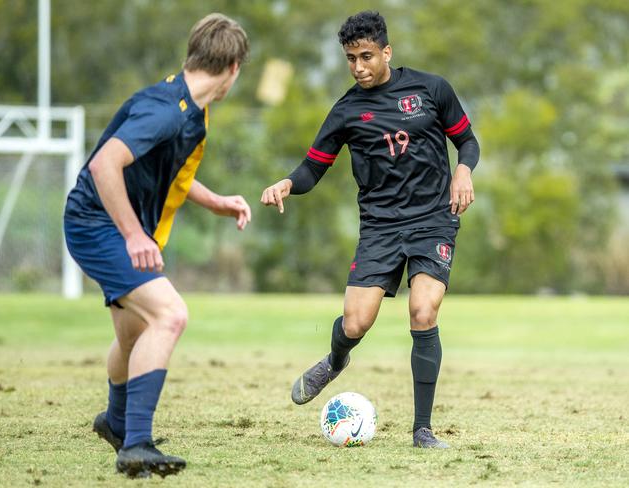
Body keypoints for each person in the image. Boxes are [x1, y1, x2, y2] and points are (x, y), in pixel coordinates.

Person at [261, 10, 479, 449]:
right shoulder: (346, 110)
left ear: (386, 52)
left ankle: (422, 430)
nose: (358, 67)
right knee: (357, 323)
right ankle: (336, 360)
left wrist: (464, 172)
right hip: (379, 227)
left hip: (433, 219)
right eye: (350, 58)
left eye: (366, 56)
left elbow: (467, 141)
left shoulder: (432, 89)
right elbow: (311, 169)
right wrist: (287, 182)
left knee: (423, 312)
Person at [63, 13, 250, 477]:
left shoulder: (189, 108)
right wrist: (132, 234)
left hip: (108, 224)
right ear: (234, 68)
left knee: (133, 333)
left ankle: (116, 423)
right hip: (97, 224)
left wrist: (217, 202)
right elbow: (106, 165)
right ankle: (137, 444)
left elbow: (174, 174)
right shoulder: (166, 109)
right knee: (170, 315)